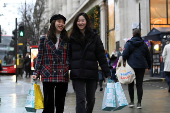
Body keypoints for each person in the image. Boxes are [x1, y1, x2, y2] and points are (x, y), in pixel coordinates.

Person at [69, 13, 111, 113]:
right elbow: (68, 56)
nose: (80, 23)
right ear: (76, 23)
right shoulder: (71, 38)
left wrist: (107, 73)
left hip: (91, 73)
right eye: (78, 21)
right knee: (80, 100)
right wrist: (68, 68)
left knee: (91, 100)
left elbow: (101, 56)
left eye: (83, 20)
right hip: (77, 74)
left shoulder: (95, 37)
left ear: (87, 21)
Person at [32, 14, 70, 113]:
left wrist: (67, 67)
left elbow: (69, 56)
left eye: (63, 22)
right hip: (48, 73)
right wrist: (36, 72)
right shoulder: (44, 39)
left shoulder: (66, 39)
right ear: (53, 23)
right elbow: (40, 57)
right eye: (59, 21)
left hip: (62, 73)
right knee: (49, 104)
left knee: (60, 104)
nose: (61, 24)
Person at [122, 28, 151, 109]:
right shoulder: (144, 44)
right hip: (141, 66)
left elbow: (124, 55)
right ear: (140, 35)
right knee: (139, 84)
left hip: (131, 66)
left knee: (130, 83)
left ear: (133, 35)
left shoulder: (129, 43)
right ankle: (139, 103)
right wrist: (149, 66)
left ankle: (131, 102)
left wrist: (125, 61)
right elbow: (148, 56)